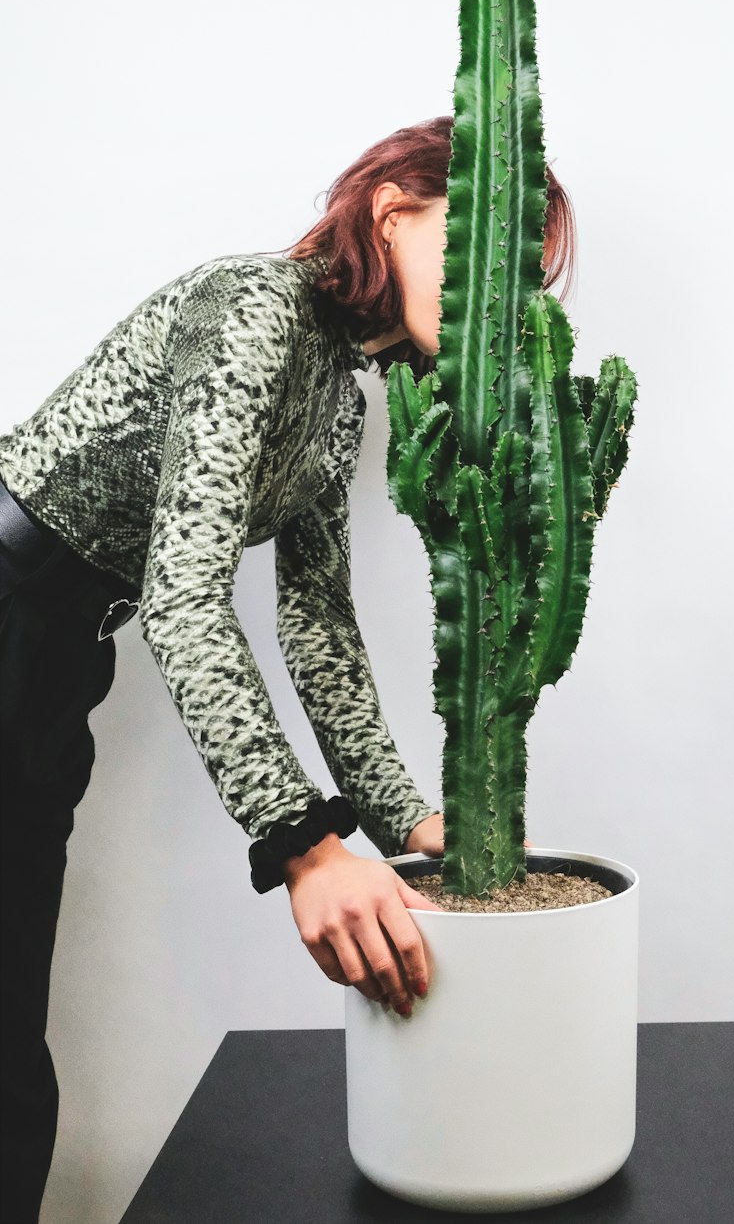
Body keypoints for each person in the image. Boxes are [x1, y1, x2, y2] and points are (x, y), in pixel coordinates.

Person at [0, 113, 573, 1223]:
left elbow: (317, 626)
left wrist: (408, 822)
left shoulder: (336, 396)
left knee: (8, 1030)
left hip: (52, 658)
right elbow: (185, 589)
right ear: (393, 212)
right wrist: (305, 847)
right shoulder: (254, 305)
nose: (499, 302)